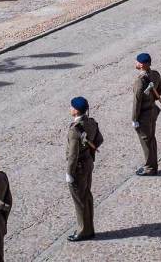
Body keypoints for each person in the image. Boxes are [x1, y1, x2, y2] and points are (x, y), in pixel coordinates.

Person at [66, 96, 103, 242]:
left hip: (78, 167)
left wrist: (69, 172)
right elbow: (99, 140)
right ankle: (89, 228)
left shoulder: (75, 130)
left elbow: (73, 155)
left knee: (80, 200)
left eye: (71, 107)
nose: (70, 109)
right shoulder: (92, 122)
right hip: (88, 162)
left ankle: (83, 231)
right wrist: (89, 152)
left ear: (75, 110)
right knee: (86, 196)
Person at [132, 52, 161, 176]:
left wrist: (134, 119)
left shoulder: (139, 81)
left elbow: (137, 102)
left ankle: (150, 168)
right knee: (151, 139)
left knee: (146, 141)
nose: (136, 63)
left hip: (144, 114)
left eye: (137, 62)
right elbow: (160, 91)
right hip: (152, 111)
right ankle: (153, 165)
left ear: (142, 65)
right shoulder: (155, 75)